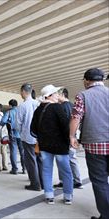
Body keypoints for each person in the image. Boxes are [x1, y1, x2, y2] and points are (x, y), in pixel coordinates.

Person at [70, 68, 109, 219]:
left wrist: (72, 136)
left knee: (100, 181)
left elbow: (76, 117)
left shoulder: (83, 95)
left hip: (94, 144)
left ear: (86, 81)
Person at [31, 84, 73, 205]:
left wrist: (43, 136)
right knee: (66, 171)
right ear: (50, 95)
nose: (57, 95)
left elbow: (33, 129)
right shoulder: (57, 108)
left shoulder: (38, 110)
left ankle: (49, 196)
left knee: (47, 170)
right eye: (55, 93)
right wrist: (69, 139)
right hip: (60, 146)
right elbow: (66, 126)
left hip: (44, 146)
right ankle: (68, 196)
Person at [54, 88, 83, 189]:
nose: (56, 96)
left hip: (64, 138)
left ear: (62, 94)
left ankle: (63, 181)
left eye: (57, 94)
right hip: (73, 136)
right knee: (73, 159)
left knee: (61, 161)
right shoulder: (72, 106)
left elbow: (61, 124)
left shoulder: (61, 107)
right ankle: (77, 181)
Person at [17, 83, 42, 191]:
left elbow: (18, 124)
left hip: (28, 137)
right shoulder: (39, 104)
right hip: (40, 138)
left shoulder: (22, 106)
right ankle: (43, 183)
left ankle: (35, 184)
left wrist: (21, 132)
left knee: (31, 161)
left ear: (23, 92)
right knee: (40, 160)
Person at [0, 99, 25, 174]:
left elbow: (2, 122)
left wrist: (8, 122)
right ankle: (24, 169)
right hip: (22, 135)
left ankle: (15, 169)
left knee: (13, 152)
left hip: (12, 134)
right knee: (23, 152)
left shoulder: (9, 112)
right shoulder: (21, 111)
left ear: (10, 105)